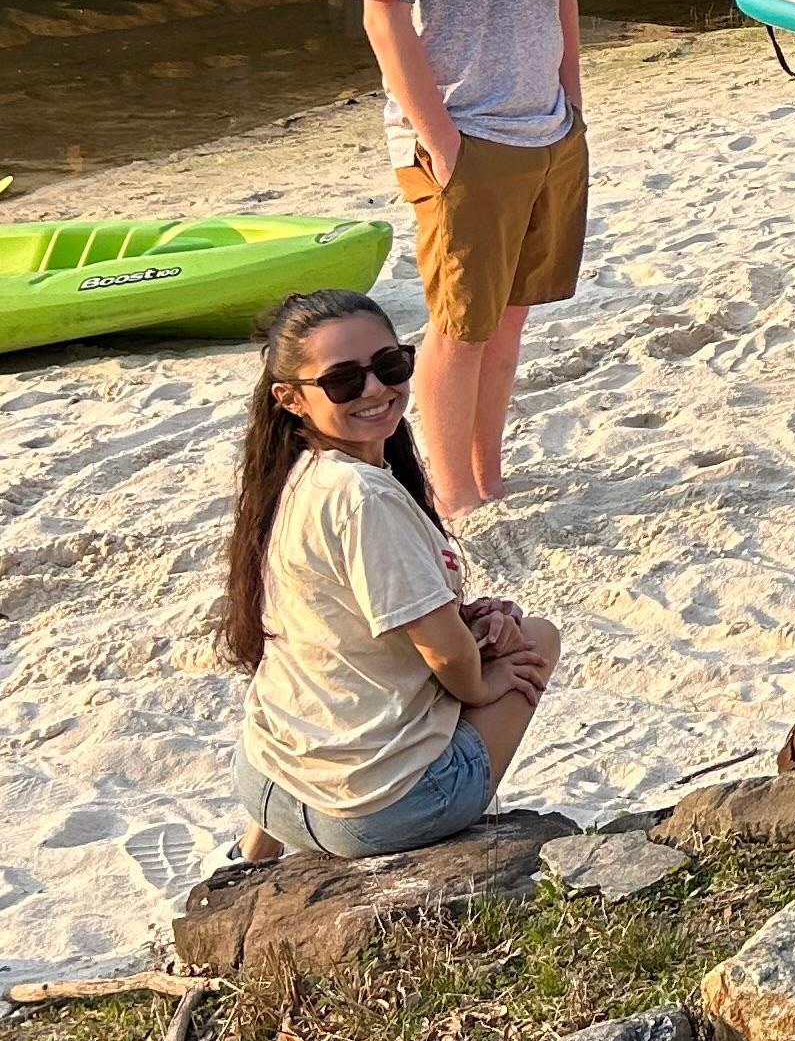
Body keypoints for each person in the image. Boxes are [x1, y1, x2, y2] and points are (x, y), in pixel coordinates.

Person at [353, 0, 590, 510]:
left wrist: (572, 103)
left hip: (546, 126)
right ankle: (453, 498)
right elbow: (383, 15)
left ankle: (489, 476)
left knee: (511, 319)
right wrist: (440, 136)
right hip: (462, 130)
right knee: (459, 329)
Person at [223, 289, 560, 865]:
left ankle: (256, 851)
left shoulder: (290, 476)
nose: (375, 389)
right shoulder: (363, 497)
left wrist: (470, 623)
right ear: (291, 399)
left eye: (389, 366)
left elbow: (358, 622)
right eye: (344, 382)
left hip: (268, 782)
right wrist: (485, 682)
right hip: (374, 812)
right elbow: (447, 657)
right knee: (539, 638)